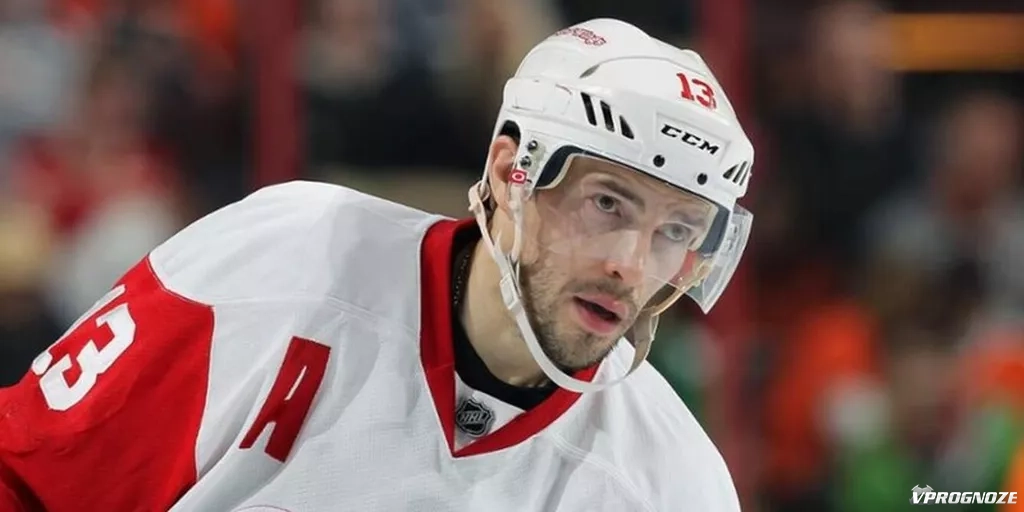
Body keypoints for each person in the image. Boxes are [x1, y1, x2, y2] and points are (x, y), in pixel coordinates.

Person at [0, 18, 754, 511]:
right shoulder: (285, 262)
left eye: (675, 231)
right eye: (609, 204)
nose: (631, 266)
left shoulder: (671, 484)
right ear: (509, 173)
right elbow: (30, 478)